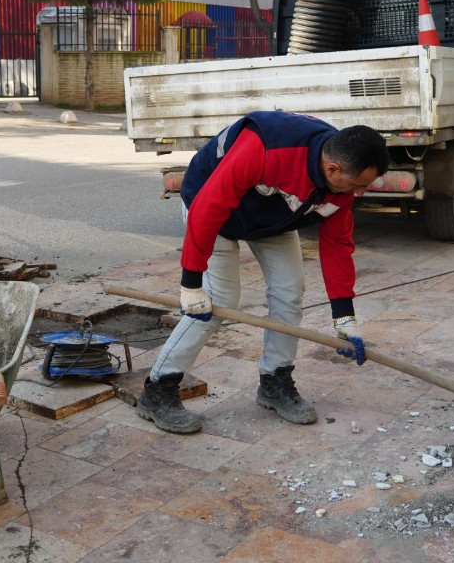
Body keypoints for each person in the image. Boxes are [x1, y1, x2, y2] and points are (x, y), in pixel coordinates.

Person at [136, 112, 390, 434]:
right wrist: (191, 283)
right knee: (216, 302)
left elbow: (338, 246)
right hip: (210, 208)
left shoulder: (341, 185)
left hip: (273, 219)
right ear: (333, 169)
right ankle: (158, 391)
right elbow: (208, 207)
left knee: (290, 291)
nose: (361, 193)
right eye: (359, 185)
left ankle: (274, 382)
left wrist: (345, 319)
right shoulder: (267, 148)